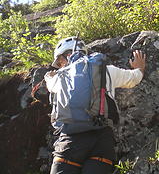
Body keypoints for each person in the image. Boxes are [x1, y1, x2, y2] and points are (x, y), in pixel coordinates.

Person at [44, 36, 146, 174]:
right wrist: (139, 68)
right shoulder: (106, 70)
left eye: (60, 60)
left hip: (70, 141)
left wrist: (48, 77)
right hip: (102, 141)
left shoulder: (59, 77)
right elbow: (134, 78)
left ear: (67, 55)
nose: (60, 65)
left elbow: (50, 86)